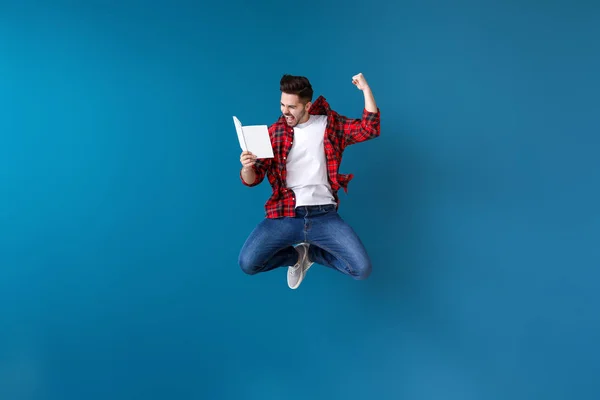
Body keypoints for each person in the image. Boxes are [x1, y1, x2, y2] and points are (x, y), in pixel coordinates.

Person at [237, 72, 381, 289]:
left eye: (291, 107)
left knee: (361, 269)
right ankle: (296, 258)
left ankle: (311, 254)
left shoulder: (330, 125)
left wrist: (366, 90)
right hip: (285, 215)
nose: (285, 111)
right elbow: (253, 178)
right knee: (248, 263)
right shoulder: (273, 133)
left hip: (324, 215)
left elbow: (369, 129)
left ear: (307, 105)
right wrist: (247, 167)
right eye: (282, 105)